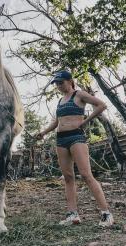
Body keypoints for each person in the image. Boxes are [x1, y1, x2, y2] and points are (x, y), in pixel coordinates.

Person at [36, 70, 114, 227]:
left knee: (86, 175)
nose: (58, 86)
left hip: (76, 137)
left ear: (69, 81)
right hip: (61, 139)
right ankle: (73, 215)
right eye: (56, 83)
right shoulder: (60, 101)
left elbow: (101, 105)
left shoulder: (79, 95)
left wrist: (86, 121)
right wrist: (43, 132)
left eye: (61, 82)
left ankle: (106, 214)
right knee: (68, 178)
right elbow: (57, 122)